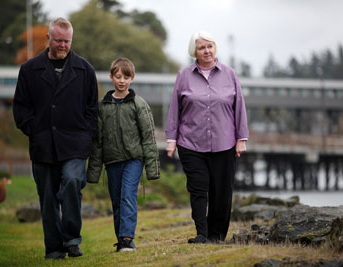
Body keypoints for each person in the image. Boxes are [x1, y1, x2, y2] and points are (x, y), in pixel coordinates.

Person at [13, 18, 98, 259]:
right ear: (48, 38)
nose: (63, 45)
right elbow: (20, 108)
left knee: (72, 181)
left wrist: (86, 135)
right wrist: (35, 130)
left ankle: (71, 239)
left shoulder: (85, 70)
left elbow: (92, 109)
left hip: (75, 143)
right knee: (48, 197)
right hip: (43, 144)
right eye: (58, 40)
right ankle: (54, 247)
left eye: (67, 41)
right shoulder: (29, 70)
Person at [165, 31, 249, 244]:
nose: (206, 51)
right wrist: (171, 139)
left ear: (215, 48)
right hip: (190, 142)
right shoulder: (184, 75)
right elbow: (175, 108)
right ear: (195, 51)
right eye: (201, 47)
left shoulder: (230, 74)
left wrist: (242, 138)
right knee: (198, 189)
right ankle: (202, 233)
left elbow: (239, 107)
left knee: (221, 192)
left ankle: (217, 236)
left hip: (225, 142)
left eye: (209, 46)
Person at [86, 58, 160, 252]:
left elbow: (148, 136)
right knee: (117, 201)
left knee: (128, 196)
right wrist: (93, 172)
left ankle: (127, 239)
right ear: (111, 77)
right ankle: (121, 239)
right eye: (118, 76)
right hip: (112, 161)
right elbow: (98, 141)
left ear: (132, 78)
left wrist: (152, 167)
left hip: (133, 160)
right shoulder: (103, 106)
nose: (122, 80)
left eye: (126, 77)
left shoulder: (138, 104)